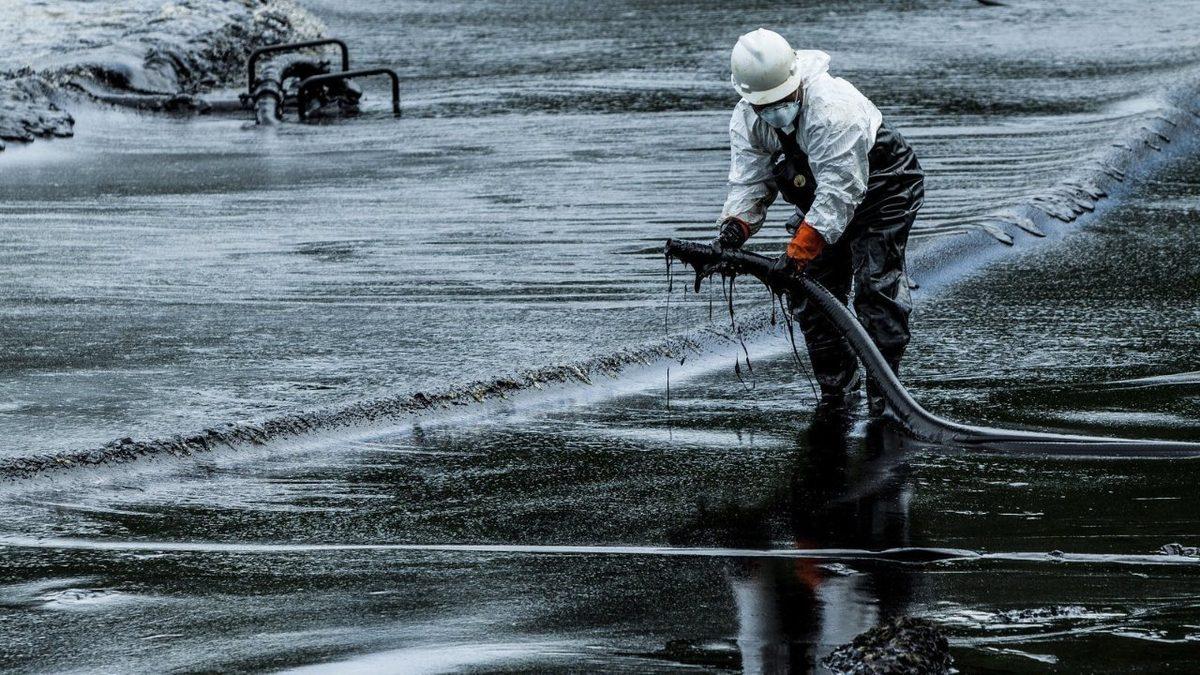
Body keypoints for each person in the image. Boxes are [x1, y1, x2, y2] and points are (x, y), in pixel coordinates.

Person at [713, 28, 924, 415]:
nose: (775, 110)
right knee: (811, 295)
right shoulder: (749, 119)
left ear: (796, 84)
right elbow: (750, 179)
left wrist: (800, 249)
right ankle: (838, 393)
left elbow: (840, 191)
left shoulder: (832, 108)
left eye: (782, 100)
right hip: (821, 193)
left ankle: (886, 397)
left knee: (875, 289)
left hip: (882, 188)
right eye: (765, 104)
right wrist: (734, 228)